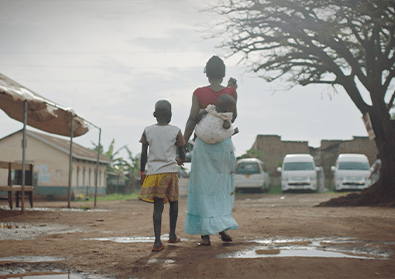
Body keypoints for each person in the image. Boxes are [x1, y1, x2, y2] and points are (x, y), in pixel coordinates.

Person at [183, 55, 239, 246]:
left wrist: (183, 142)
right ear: (223, 74)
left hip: (203, 146)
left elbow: (192, 119)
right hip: (223, 146)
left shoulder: (198, 92)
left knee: (202, 189)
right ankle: (222, 228)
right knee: (220, 188)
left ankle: (204, 236)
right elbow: (233, 117)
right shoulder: (231, 91)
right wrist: (234, 92)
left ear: (206, 73)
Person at [138, 99, 186, 252]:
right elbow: (182, 154)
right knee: (174, 202)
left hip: (153, 173)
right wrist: (180, 160)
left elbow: (143, 155)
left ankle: (157, 242)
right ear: (170, 115)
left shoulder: (148, 130)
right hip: (170, 173)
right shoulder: (176, 130)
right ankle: (172, 235)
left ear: (154, 114)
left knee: (158, 207)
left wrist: (142, 172)